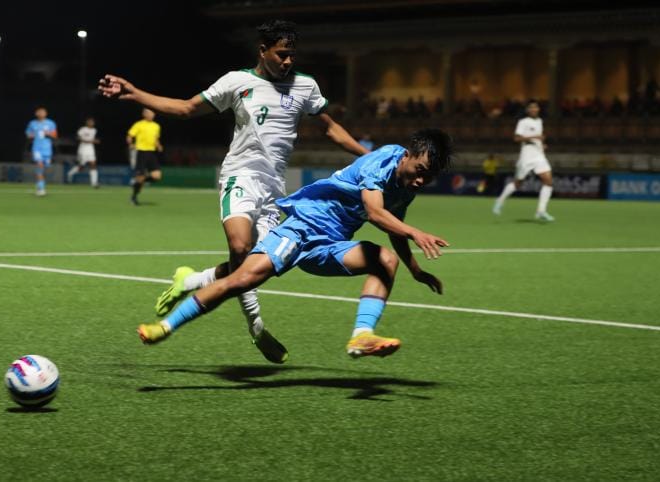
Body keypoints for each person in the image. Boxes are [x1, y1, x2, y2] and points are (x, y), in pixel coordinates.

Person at [99, 20, 368, 364]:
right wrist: (134, 93)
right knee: (241, 247)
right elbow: (185, 108)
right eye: (282, 54)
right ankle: (257, 327)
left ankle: (193, 279)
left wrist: (369, 156)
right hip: (240, 177)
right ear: (263, 51)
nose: (288, 62)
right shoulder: (237, 81)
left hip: (274, 190)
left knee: (259, 266)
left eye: (292, 56)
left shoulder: (305, 86)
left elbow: (332, 130)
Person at [136, 129, 453, 359]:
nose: (422, 180)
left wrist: (415, 270)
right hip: (301, 230)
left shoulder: (406, 186)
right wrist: (417, 232)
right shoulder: (383, 161)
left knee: (385, 260)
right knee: (242, 279)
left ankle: (361, 336)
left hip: (330, 245)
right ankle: (165, 325)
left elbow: (393, 228)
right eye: (420, 170)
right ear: (408, 154)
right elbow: (375, 213)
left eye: (430, 176)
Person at [492, 101, 555, 221]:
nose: (534, 109)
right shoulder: (523, 122)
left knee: (548, 181)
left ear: (538, 109)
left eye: (536, 107)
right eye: (531, 107)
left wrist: (542, 144)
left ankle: (541, 211)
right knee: (518, 183)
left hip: (539, 155)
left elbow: (539, 138)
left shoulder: (539, 121)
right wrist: (534, 137)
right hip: (527, 155)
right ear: (527, 110)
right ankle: (500, 201)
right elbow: (516, 138)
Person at [126, 108, 163, 205]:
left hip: (151, 153)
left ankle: (139, 180)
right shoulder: (139, 124)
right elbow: (129, 136)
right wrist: (130, 144)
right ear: (144, 114)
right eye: (150, 113)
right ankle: (134, 196)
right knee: (140, 178)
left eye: (153, 113)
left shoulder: (156, 126)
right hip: (141, 152)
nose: (152, 115)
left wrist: (158, 145)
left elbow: (156, 138)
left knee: (157, 176)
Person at [24, 107, 58, 196]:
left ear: (46, 114)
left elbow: (55, 135)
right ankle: (41, 189)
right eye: (39, 112)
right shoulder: (32, 123)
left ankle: (39, 183)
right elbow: (28, 134)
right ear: (36, 113)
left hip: (47, 149)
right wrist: (32, 135)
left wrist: (48, 133)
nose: (41, 113)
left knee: (43, 168)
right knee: (40, 165)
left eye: (43, 112)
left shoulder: (50, 123)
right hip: (37, 148)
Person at [67, 117, 100, 188]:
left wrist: (95, 141)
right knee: (81, 167)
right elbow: (77, 138)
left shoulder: (94, 130)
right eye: (90, 122)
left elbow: (93, 139)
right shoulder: (82, 129)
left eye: (92, 122)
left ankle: (94, 183)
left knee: (93, 164)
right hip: (83, 149)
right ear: (87, 123)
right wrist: (87, 141)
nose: (91, 123)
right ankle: (70, 173)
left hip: (90, 149)